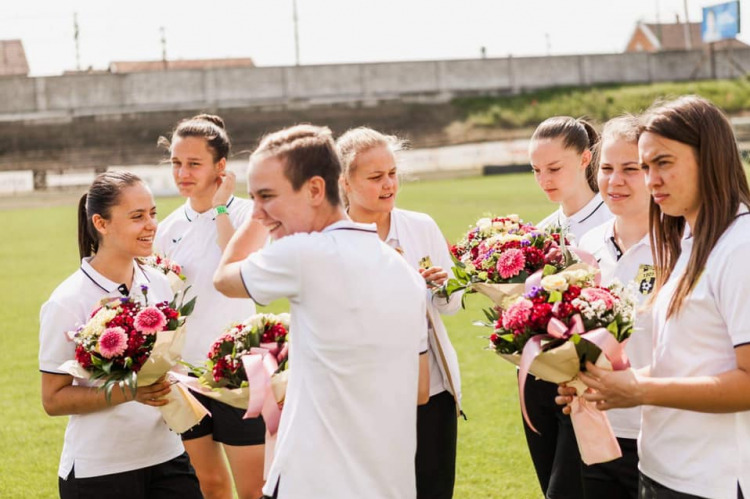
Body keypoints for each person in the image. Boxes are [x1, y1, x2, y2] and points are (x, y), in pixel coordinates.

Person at [213, 124, 429, 499]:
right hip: (389, 485)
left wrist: (252, 219)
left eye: (266, 196)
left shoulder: (305, 254)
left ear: (316, 189)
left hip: (313, 482)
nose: (260, 211)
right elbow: (419, 390)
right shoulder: (404, 273)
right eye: (253, 200)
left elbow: (224, 278)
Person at [559, 96, 750, 499]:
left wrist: (640, 390)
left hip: (713, 480)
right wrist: (605, 384)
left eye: (662, 163)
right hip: (663, 470)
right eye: (645, 167)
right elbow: (680, 364)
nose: (651, 180)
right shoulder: (694, 240)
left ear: (710, 157)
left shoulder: (741, 246)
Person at [39, 171, 202, 499]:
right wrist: (129, 393)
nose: (151, 225)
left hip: (167, 456)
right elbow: (53, 399)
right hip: (99, 470)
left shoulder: (159, 283)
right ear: (101, 223)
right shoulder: (67, 300)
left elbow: (169, 363)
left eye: (153, 213)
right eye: (137, 216)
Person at [337, 126, 463, 499]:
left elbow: (453, 306)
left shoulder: (421, 226)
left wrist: (441, 287)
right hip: (365, 394)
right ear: (345, 181)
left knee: (433, 489)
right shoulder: (330, 239)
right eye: (375, 177)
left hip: (433, 390)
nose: (389, 184)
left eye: (392, 173)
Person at [154, 114, 267, 499]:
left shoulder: (249, 215)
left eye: (193, 163)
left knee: (255, 490)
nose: (182, 173)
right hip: (184, 378)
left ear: (221, 167)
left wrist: (219, 208)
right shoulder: (167, 228)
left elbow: (237, 273)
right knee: (210, 486)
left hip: (237, 373)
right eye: (175, 163)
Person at [525, 116, 613, 498]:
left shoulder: (616, 222)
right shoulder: (539, 232)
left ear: (584, 159)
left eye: (554, 168)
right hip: (538, 384)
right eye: (536, 170)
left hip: (590, 386)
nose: (545, 179)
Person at [576, 115, 654, 499]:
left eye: (631, 169)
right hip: (600, 432)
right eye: (607, 168)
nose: (615, 180)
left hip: (664, 433)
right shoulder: (589, 244)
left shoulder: (686, 245)